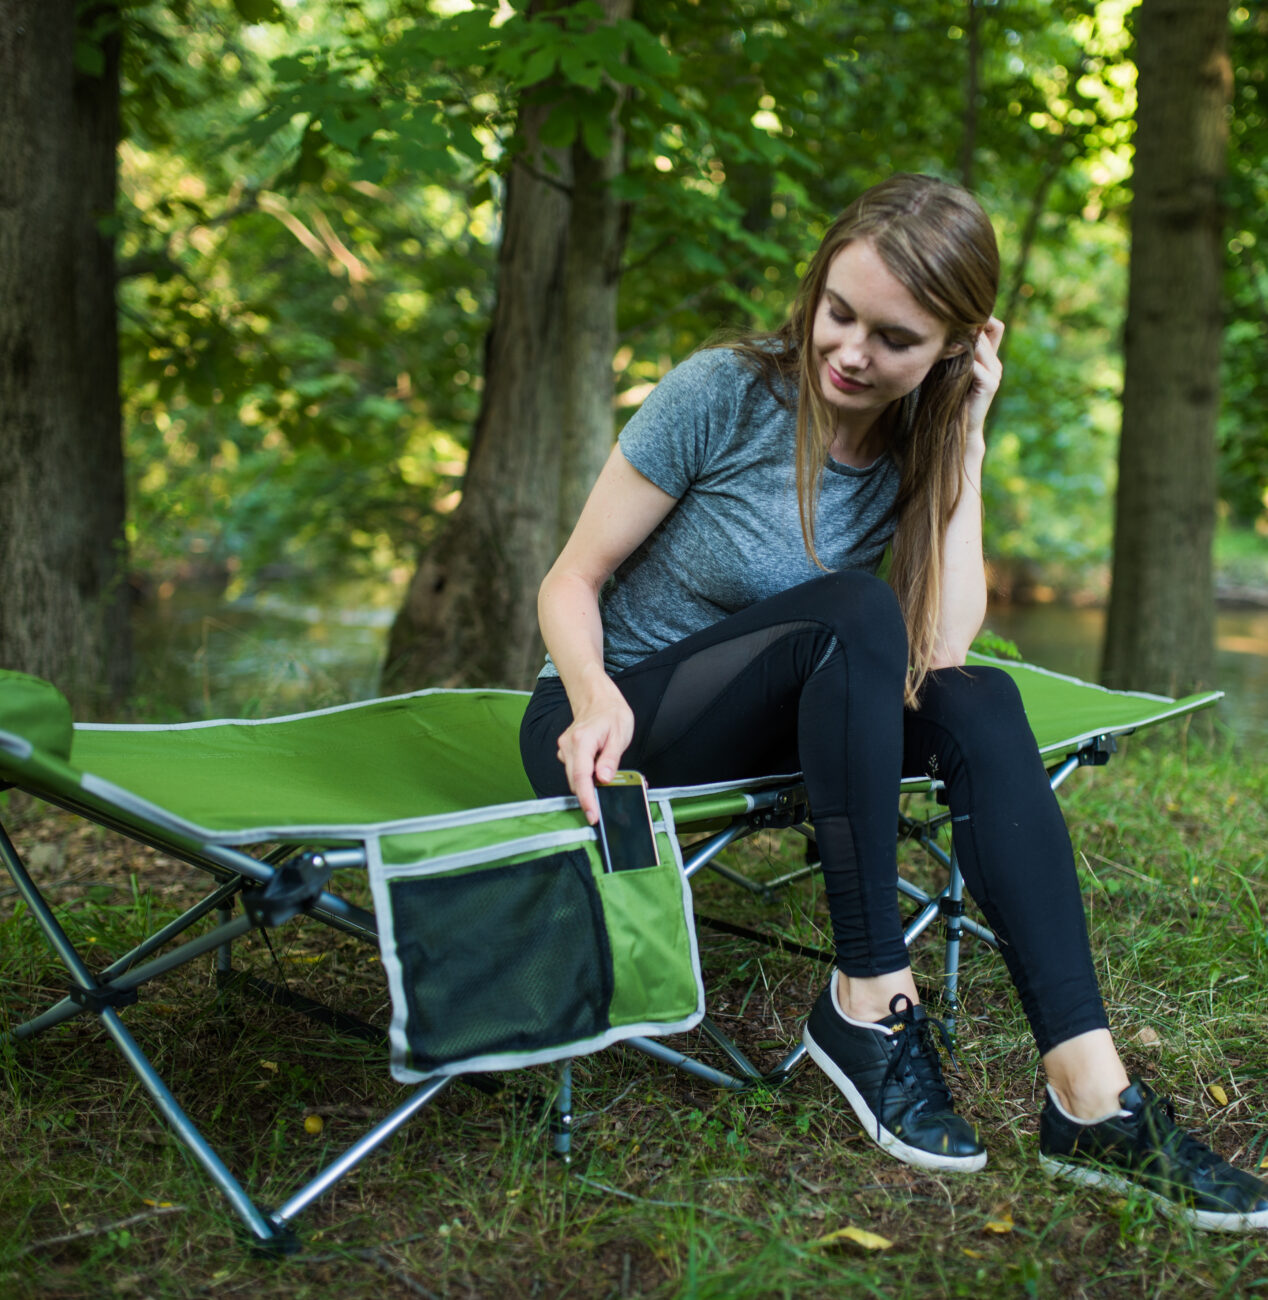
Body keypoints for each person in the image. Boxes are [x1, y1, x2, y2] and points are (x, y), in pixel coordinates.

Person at [518, 173, 1268, 1231]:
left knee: (980, 700)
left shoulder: (920, 436)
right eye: (838, 313)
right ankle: (867, 997)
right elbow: (569, 581)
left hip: (779, 708)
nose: (852, 353)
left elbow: (943, 647)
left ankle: (1088, 1093)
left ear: (957, 344)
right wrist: (591, 693)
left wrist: (961, 433)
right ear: (815, 289)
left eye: (895, 338)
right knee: (851, 612)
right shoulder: (723, 393)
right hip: (611, 720)